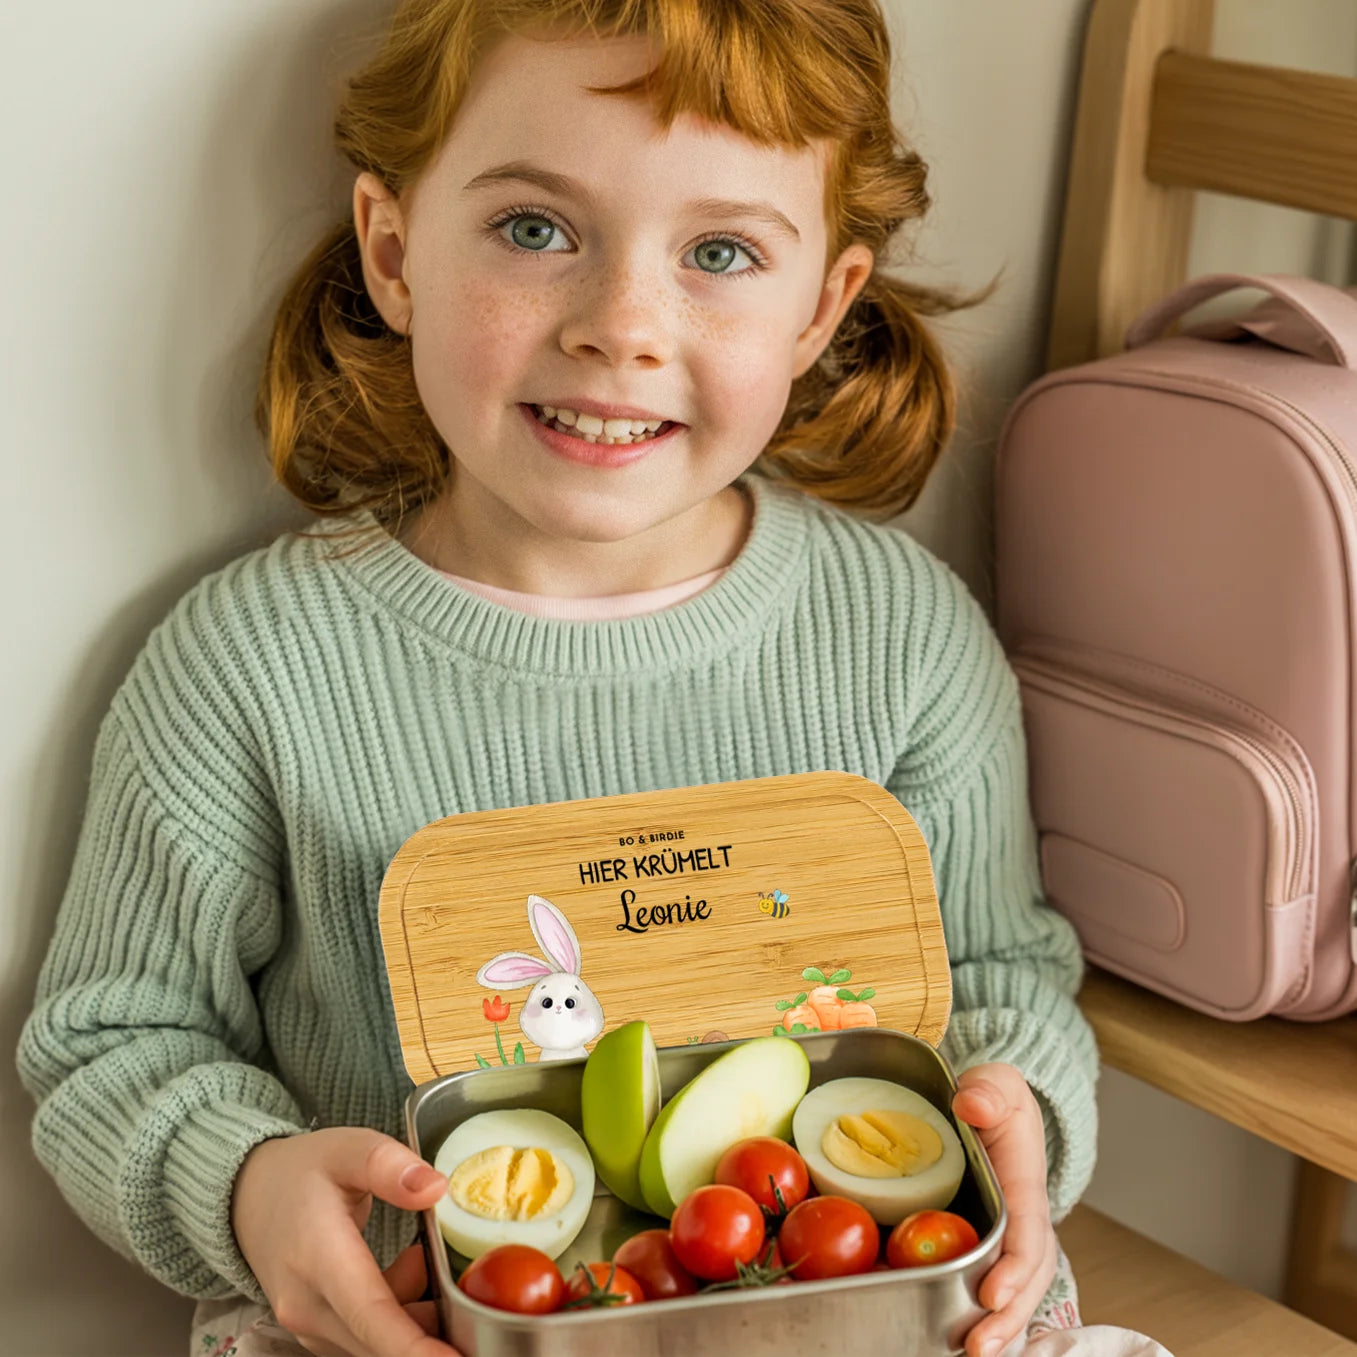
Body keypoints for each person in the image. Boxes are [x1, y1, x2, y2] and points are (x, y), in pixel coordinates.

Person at [15, 2, 1099, 1355]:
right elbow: (115, 1040)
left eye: (719, 253)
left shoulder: (902, 636)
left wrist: (1018, 1119)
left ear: (821, 306)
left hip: (857, 1316)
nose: (621, 328)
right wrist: (246, 1185)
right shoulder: (249, 664)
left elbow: (1001, 973)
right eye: (535, 230)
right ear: (394, 253)